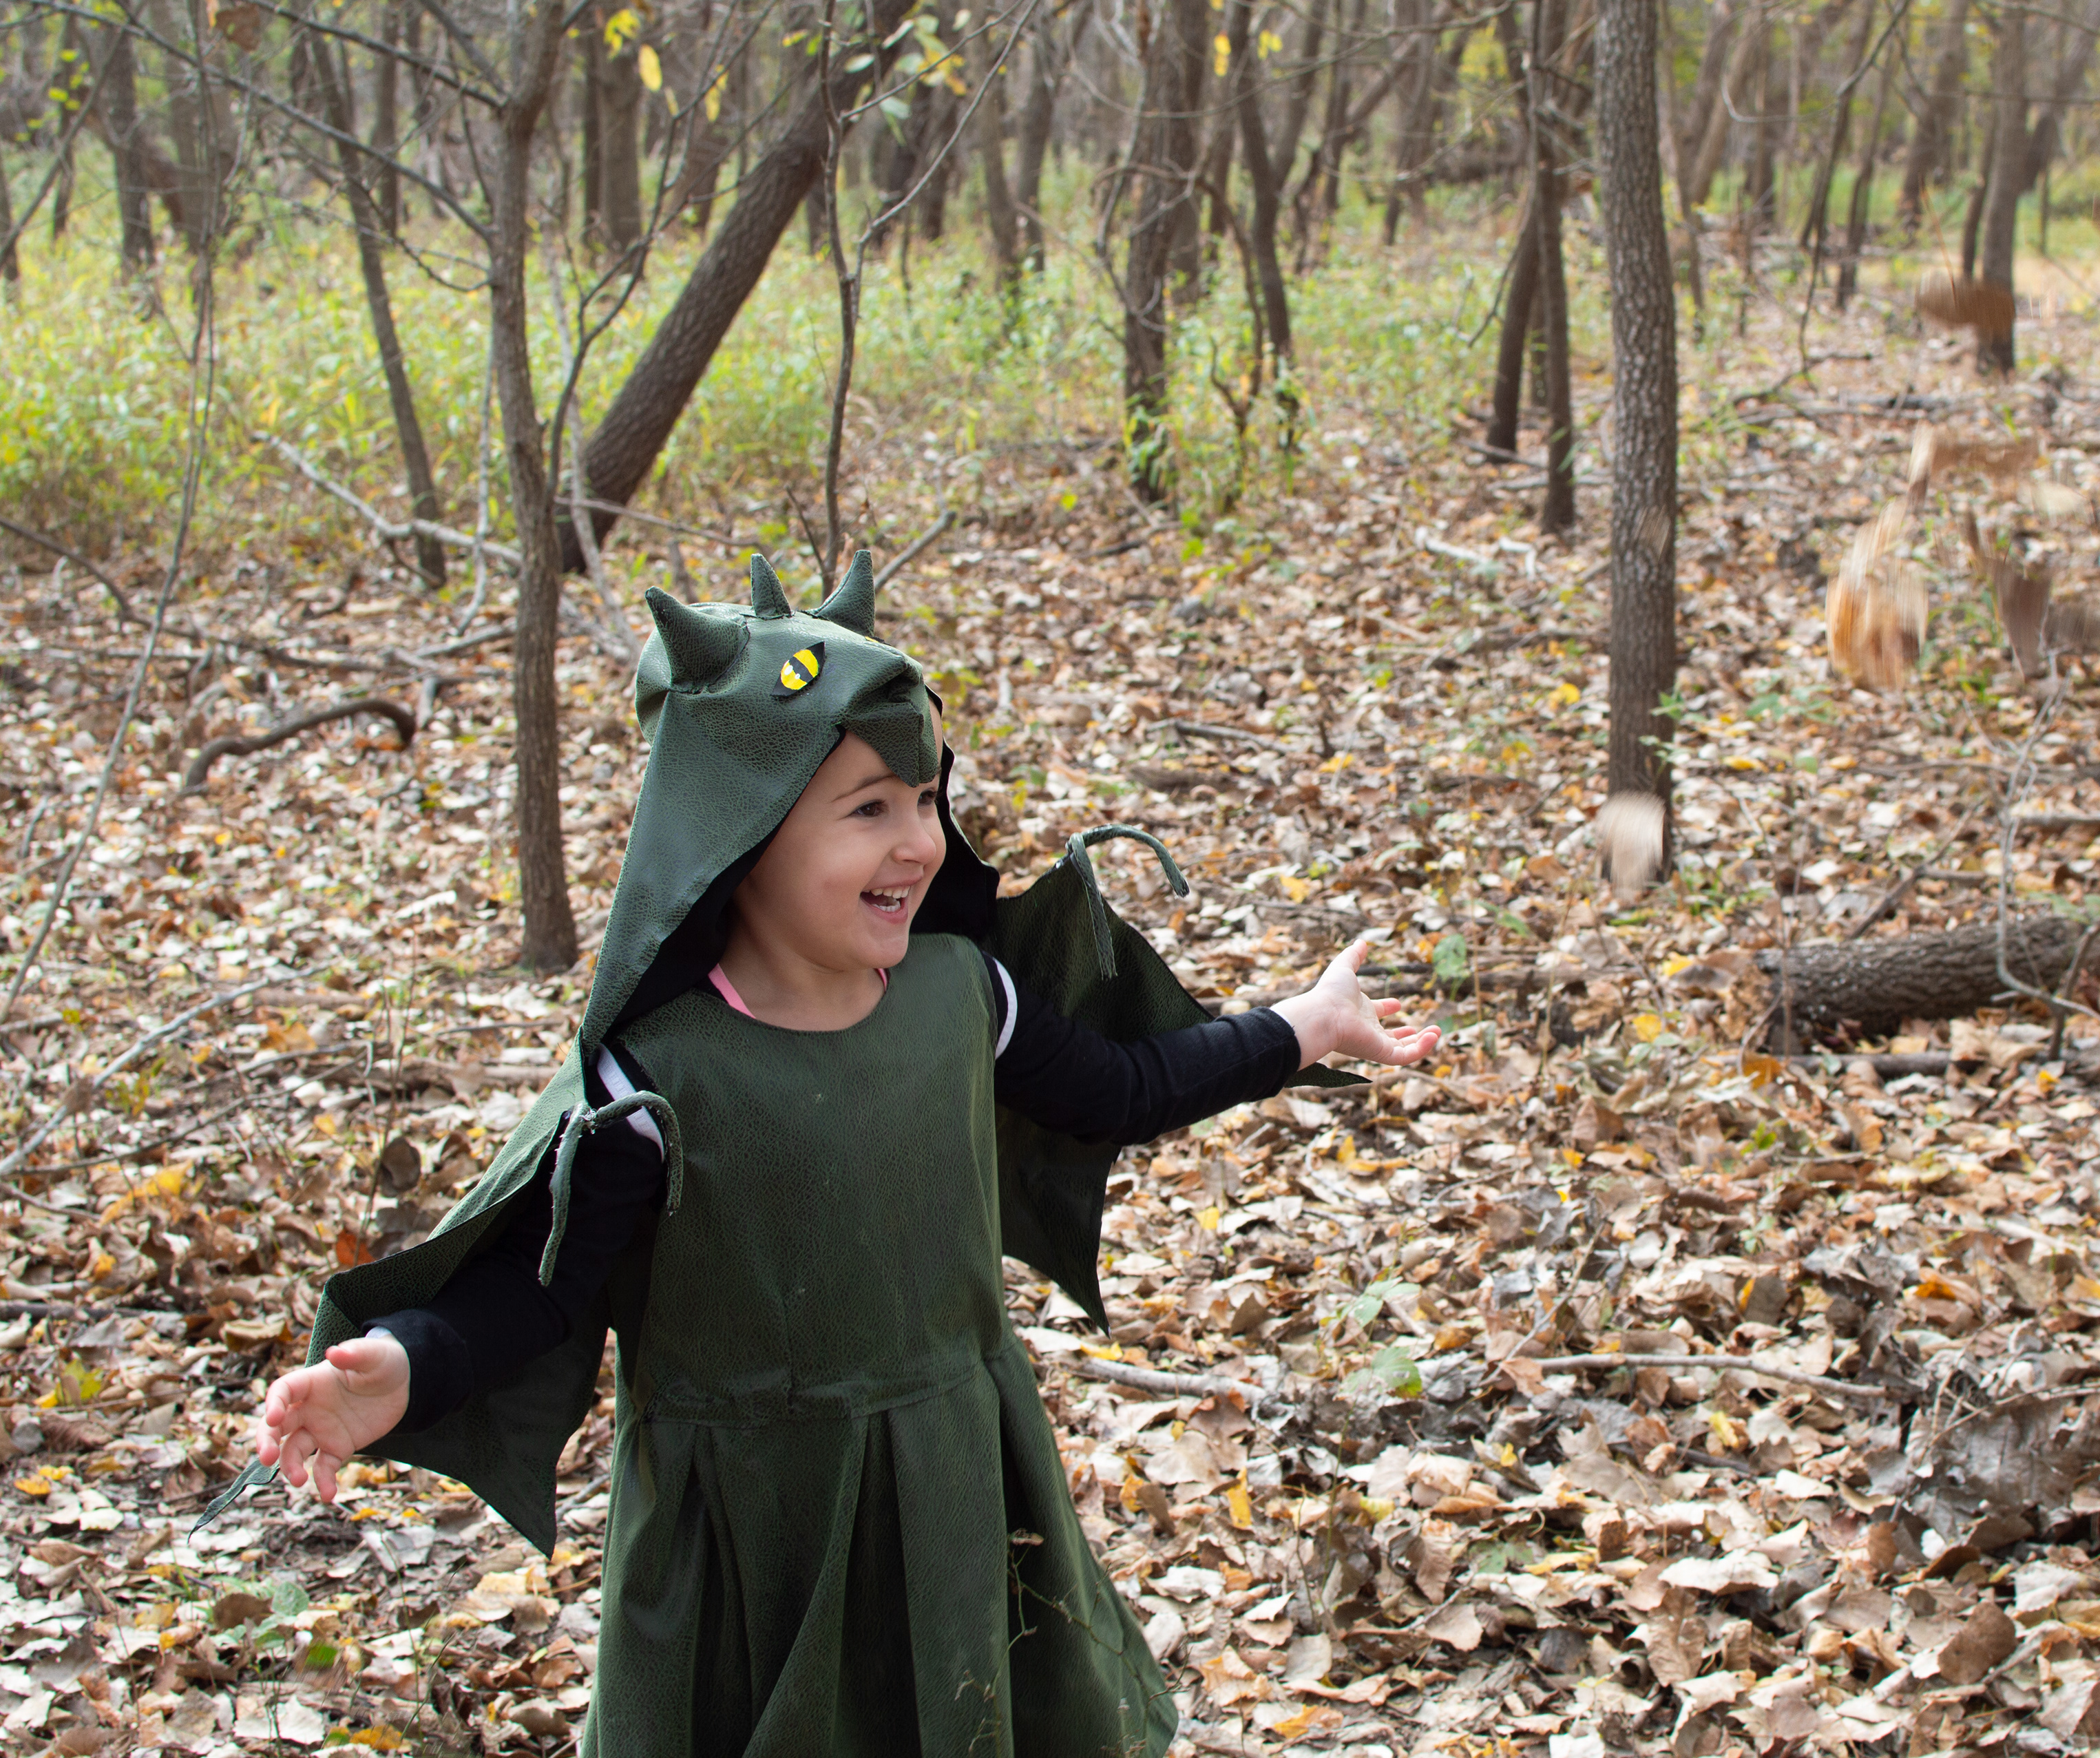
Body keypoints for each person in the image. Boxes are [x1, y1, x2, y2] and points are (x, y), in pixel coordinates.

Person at [212, 552, 1439, 1757]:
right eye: (868, 810)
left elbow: (1121, 1088)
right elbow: (540, 1289)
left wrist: (1301, 1026)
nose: (919, 842)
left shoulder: (964, 993)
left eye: (926, 798)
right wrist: (408, 1367)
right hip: (751, 1541)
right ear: (741, 829)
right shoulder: (658, 1080)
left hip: (952, 1490)